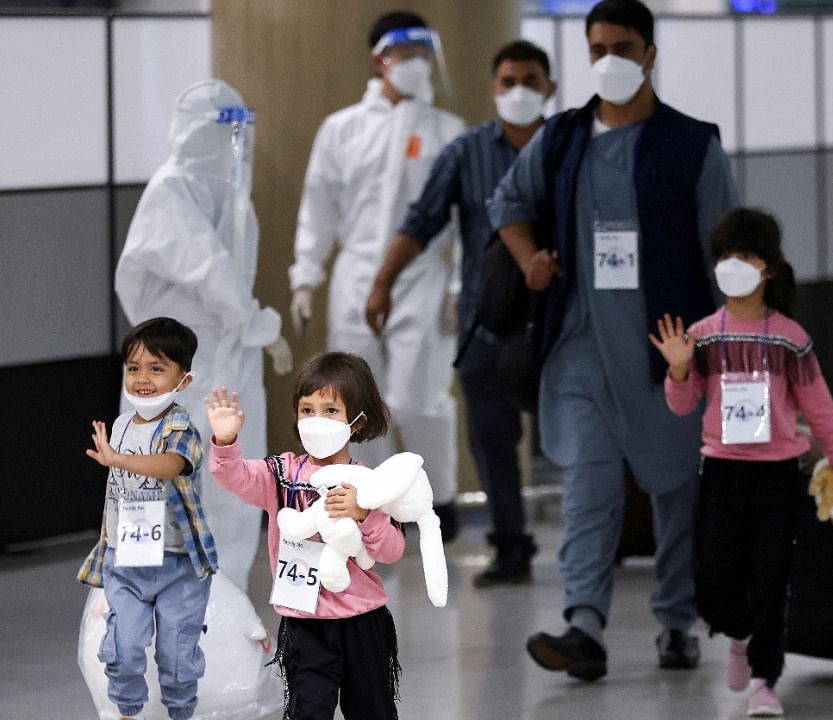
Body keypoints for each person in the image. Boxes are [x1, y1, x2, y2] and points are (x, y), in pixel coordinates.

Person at [488, 0, 737, 680]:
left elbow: (726, 256)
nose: (610, 61)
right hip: (579, 347)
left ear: (651, 54)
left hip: (668, 349)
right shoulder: (563, 138)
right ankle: (583, 626)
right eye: (597, 48)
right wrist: (530, 260)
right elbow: (507, 205)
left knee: (675, 489)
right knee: (587, 489)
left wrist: (733, 355)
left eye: (624, 47)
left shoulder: (693, 145)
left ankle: (677, 621)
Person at [367, 39, 558, 587]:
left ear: (549, 87)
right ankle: (511, 545)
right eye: (508, 81)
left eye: (529, 80)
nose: (518, 91)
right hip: (490, 318)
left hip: (564, 318)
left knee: (586, 436)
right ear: (494, 88)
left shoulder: (567, 149)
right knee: (493, 439)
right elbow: (421, 221)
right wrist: (382, 283)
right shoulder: (468, 152)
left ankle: (608, 542)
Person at [653, 208, 833, 717]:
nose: (733, 265)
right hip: (722, 470)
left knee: (771, 575)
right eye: (725, 256)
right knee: (716, 577)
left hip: (776, 474)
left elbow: (820, 408)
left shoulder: (790, 338)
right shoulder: (702, 335)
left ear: (768, 267)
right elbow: (681, 406)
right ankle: (738, 635)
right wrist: (679, 369)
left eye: (744, 255)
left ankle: (766, 680)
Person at [289, 11, 466, 539]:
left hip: (423, 279)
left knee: (421, 396)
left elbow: (460, 218)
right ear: (379, 59)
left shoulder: (447, 131)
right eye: (403, 53)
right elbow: (317, 206)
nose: (415, 64)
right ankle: (373, 503)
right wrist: (306, 276)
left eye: (422, 53)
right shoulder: (343, 129)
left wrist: (458, 285)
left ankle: (441, 502)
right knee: (358, 402)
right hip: (355, 276)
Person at [115, 79, 292, 591]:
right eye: (224, 131)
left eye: (241, 130)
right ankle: (139, 603)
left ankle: (222, 600)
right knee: (154, 479)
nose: (234, 142)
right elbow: (207, 267)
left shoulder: (234, 195)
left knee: (231, 481)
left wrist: (250, 327)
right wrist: (257, 322)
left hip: (229, 358)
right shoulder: (171, 190)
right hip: (175, 362)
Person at [206, 353, 405, 720]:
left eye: (330, 411)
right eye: (307, 409)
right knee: (307, 710)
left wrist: (363, 514)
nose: (316, 420)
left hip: (363, 622)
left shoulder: (369, 483)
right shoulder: (280, 474)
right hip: (304, 623)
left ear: (357, 422)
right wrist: (225, 439)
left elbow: (392, 550)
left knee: (372, 710)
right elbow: (233, 475)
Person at [78, 317, 216, 720]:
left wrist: (119, 459)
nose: (143, 378)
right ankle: (127, 712)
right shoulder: (120, 426)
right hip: (129, 559)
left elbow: (171, 464)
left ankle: (180, 712)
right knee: (123, 645)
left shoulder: (182, 427)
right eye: (134, 368)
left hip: (178, 565)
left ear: (183, 380)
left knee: (176, 653)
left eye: (157, 369)